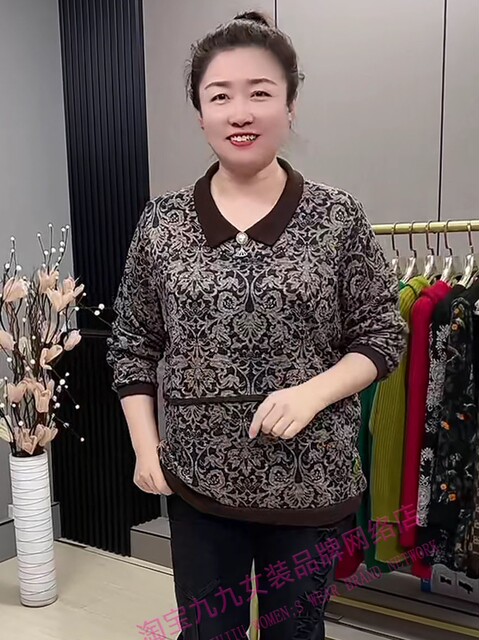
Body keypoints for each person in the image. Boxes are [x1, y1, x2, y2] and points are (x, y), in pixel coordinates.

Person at [106, 11, 406, 640]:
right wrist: (144, 447)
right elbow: (133, 344)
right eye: (220, 96)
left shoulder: (337, 216)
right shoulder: (162, 224)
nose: (240, 113)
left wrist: (312, 393)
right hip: (198, 482)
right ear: (200, 113)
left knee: (296, 633)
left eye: (260, 93)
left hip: (309, 482)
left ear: (290, 105)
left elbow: (382, 333)